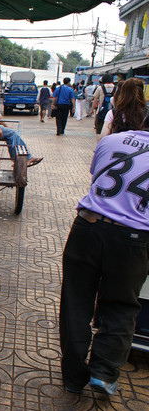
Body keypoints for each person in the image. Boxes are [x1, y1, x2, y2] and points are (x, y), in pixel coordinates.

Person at [59, 110, 149, 396]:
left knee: (76, 301)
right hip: (133, 239)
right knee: (121, 305)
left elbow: (97, 176)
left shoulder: (112, 141)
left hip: (87, 226)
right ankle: (103, 372)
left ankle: (73, 377)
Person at [0, 79, 43, 167]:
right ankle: (22, 159)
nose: (0, 90)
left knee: (12, 133)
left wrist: (6, 126)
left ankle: (21, 159)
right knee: (11, 134)